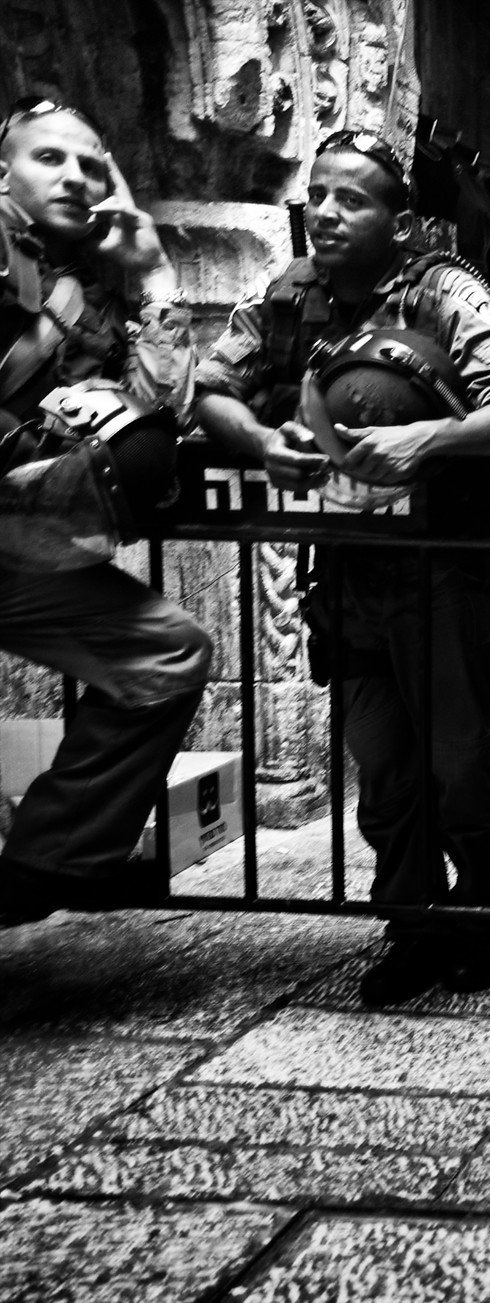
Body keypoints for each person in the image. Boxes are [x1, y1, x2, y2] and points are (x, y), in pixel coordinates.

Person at [193, 131, 490, 1004]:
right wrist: (259, 440)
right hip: (348, 576)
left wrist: (429, 436)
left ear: (401, 219)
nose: (327, 212)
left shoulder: (443, 290)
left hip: (448, 568)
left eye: (353, 199)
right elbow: (210, 390)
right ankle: (412, 924)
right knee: (384, 762)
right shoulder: (289, 298)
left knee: (459, 760)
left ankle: (482, 919)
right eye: (319, 194)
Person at [0, 97, 211, 923]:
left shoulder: (87, 287)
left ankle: (44, 866)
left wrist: (154, 273)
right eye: (49, 158)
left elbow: (164, 411)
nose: (78, 178)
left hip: (22, 546)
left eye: (92, 164)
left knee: (167, 657)